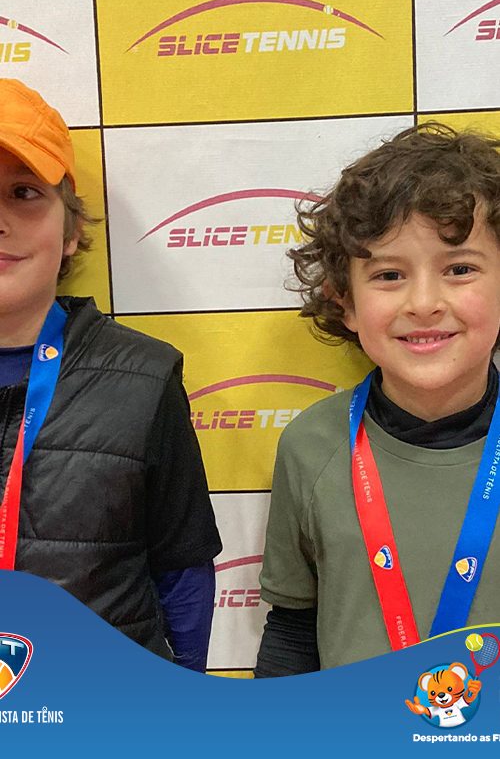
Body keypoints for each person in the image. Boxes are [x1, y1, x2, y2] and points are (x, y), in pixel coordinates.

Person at [255, 122, 500, 676]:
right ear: (345, 302)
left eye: (460, 269)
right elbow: (293, 632)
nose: (424, 302)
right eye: (389, 274)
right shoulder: (311, 447)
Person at [0, 78, 222, 671]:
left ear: (71, 231)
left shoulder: (144, 376)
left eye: (23, 192)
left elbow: (183, 569)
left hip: (100, 704)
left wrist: (179, 698)